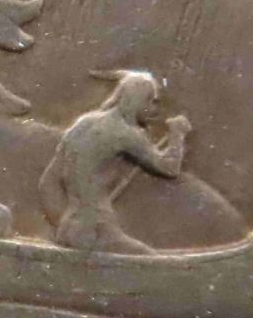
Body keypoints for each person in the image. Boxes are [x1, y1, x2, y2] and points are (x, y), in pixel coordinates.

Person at [39, 70, 190, 253]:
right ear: (136, 101)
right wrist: (177, 134)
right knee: (149, 259)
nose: (153, 109)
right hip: (97, 228)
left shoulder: (83, 123)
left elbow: (47, 183)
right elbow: (169, 167)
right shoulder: (125, 133)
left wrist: (67, 226)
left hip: (69, 227)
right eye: (150, 101)